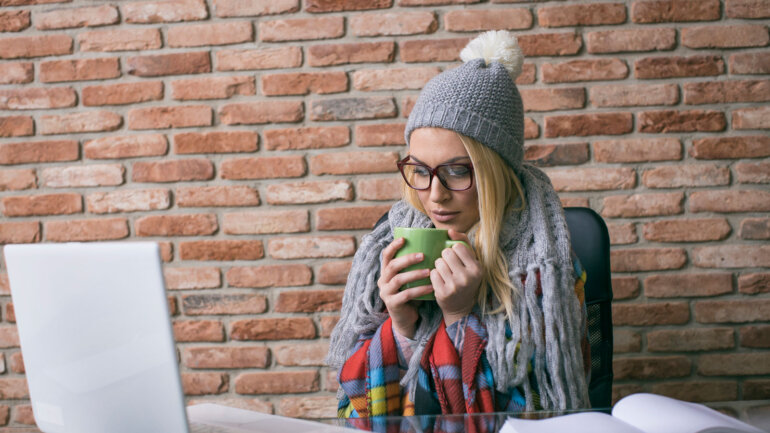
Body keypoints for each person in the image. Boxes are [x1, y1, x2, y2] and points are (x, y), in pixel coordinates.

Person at [326, 30, 590, 418]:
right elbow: (355, 413)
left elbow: (533, 416)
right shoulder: (388, 247)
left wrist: (458, 318)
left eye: (456, 170)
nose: (435, 194)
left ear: (495, 173)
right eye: (418, 170)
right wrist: (400, 326)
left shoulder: (545, 272)